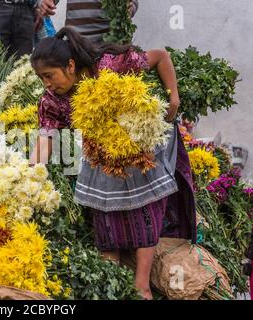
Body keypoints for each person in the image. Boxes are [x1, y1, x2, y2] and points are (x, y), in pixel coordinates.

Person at [29, 27, 197, 300]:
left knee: (145, 209)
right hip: (104, 155)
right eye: (41, 78)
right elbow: (45, 140)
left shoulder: (108, 66)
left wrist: (173, 97)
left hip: (140, 146)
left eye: (49, 76)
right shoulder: (53, 101)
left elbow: (160, 56)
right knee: (105, 213)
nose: (46, 83)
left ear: (70, 65)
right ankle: (110, 278)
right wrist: (30, 174)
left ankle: (141, 286)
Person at [39, 0, 138, 47]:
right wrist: (46, 2)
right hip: (75, 43)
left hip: (109, 45)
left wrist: (129, 8)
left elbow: (132, 3)